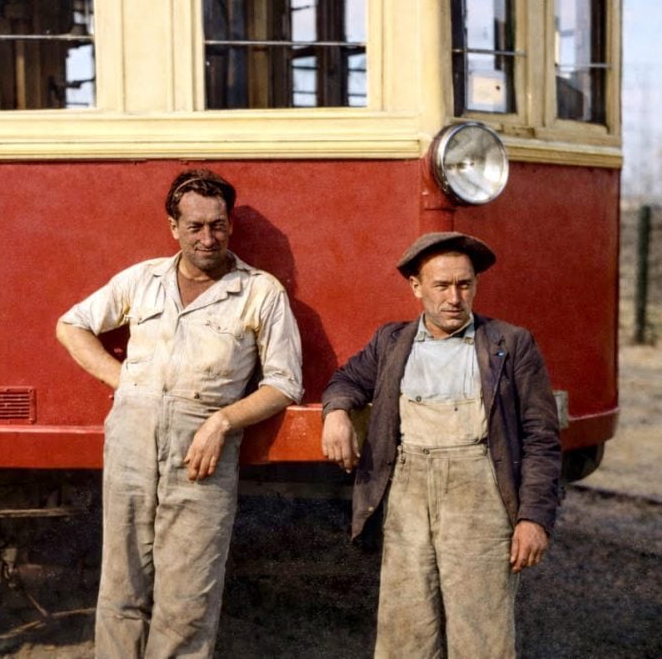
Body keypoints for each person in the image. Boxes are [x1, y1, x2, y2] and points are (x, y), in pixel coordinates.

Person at [57, 169, 303, 659]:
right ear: (174, 228)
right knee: (122, 585)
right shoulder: (142, 279)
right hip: (130, 440)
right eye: (195, 227)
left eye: (217, 225)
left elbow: (284, 383)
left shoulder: (260, 291)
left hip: (201, 451)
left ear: (230, 225)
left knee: (187, 597)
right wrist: (124, 381)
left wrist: (222, 422)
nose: (207, 238)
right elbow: (72, 325)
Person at [321, 231, 561, 658]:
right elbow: (346, 380)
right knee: (404, 633)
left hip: (479, 500)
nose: (454, 298)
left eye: (464, 285)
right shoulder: (391, 341)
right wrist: (337, 413)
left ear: (476, 285)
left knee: (482, 635)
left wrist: (533, 518)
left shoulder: (510, 343)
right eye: (442, 286)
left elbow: (542, 438)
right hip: (407, 501)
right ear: (416, 287)